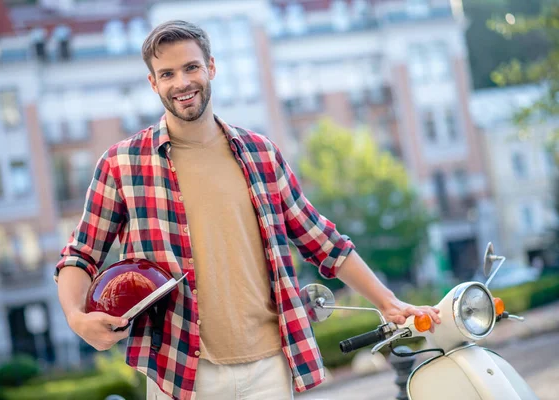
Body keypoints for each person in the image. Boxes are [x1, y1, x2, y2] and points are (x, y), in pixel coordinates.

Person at [55, 20, 441, 400]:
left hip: (270, 367)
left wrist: (389, 303)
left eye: (191, 67)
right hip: (181, 372)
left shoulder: (261, 154)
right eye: (167, 73)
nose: (182, 83)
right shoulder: (122, 164)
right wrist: (76, 318)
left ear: (211, 67)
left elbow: (323, 242)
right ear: (153, 84)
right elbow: (80, 254)